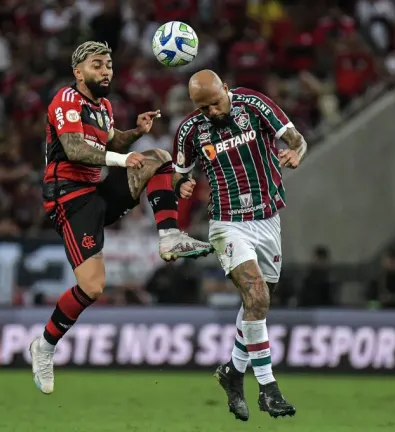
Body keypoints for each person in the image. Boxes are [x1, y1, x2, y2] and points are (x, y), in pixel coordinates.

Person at [29, 41, 213, 395]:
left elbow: (111, 142)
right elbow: (75, 148)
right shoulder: (66, 100)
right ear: (78, 72)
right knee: (93, 287)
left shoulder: (105, 107)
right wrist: (120, 159)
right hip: (69, 199)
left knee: (157, 155)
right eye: (97, 65)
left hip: (96, 192)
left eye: (109, 65)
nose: (106, 71)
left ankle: (170, 235)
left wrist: (136, 134)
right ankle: (45, 346)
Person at [172, 70, 306, 421]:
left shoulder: (254, 104)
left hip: (268, 218)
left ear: (226, 90)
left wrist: (296, 151)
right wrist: (181, 186)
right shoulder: (189, 131)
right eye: (203, 109)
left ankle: (233, 373)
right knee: (257, 295)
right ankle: (268, 389)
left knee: (256, 304)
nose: (212, 113)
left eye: (215, 103)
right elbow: (179, 175)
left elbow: (296, 138)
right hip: (228, 223)